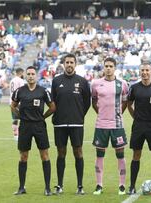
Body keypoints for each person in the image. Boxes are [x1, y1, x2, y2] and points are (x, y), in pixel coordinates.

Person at [11, 66, 56, 196]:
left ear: (36, 76)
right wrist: (20, 116)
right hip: (25, 126)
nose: (30, 76)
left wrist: (43, 117)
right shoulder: (20, 91)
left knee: (44, 155)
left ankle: (47, 188)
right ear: (25, 76)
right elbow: (13, 105)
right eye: (28, 74)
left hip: (39, 126)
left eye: (32, 74)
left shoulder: (43, 91)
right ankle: (21, 187)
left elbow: (53, 107)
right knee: (23, 156)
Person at [51, 53, 91, 195]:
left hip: (77, 124)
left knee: (78, 152)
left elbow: (87, 102)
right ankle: (59, 185)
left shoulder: (82, 82)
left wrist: (79, 115)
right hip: (60, 124)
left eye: (71, 62)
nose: (69, 65)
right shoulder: (56, 81)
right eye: (67, 62)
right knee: (61, 153)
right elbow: (53, 102)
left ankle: (80, 186)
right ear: (63, 64)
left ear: (75, 64)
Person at [91, 57, 129, 195]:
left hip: (117, 125)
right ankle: (99, 185)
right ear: (103, 67)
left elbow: (125, 102)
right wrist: (101, 113)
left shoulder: (122, 84)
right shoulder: (95, 84)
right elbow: (94, 101)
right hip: (101, 125)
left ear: (115, 68)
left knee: (120, 155)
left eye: (110, 66)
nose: (108, 68)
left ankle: (122, 185)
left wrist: (118, 114)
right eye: (106, 66)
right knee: (99, 155)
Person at [127, 63, 151, 195]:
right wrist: (135, 117)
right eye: (142, 70)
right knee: (136, 154)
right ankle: (131, 186)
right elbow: (129, 104)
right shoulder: (134, 88)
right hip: (138, 125)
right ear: (139, 72)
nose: (144, 72)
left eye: (147, 70)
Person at [9, 68, 25, 141]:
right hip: (19, 102)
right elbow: (22, 91)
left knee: (15, 119)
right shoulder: (20, 80)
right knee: (23, 119)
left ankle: (15, 135)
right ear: (21, 73)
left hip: (11, 102)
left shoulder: (12, 80)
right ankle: (22, 135)